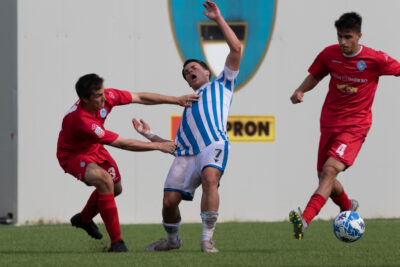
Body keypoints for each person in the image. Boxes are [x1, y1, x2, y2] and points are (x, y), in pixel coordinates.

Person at [133, 0, 242, 253]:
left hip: (214, 144)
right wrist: (149, 134)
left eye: (194, 67)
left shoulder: (221, 85)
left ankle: (206, 239)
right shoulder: (188, 106)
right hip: (186, 155)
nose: (189, 71)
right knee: (169, 202)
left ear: (206, 72)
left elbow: (236, 47)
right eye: (186, 72)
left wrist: (218, 19)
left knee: (209, 178)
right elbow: (175, 146)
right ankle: (172, 241)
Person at [57, 73, 199, 252]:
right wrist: (157, 145)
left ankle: (83, 219)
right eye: (98, 96)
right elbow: (123, 143)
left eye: (102, 92)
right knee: (104, 180)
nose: (104, 97)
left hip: (94, 147)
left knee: (116, 188)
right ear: (84, 99)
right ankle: (117, 243)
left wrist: (176, 100)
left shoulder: (106, 96)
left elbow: (139, 97)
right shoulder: (83, 121)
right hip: (72, 154)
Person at [289, 12, 400, 239]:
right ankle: (348, 207)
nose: (343, 42)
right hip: (329, 125)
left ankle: (305, 219)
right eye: (340, 36)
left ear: (359, 36)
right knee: (325, 177)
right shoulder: (330, 54)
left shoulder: (375, 59)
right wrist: (300, 90)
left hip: (355, 128)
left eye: (348, 37)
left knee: (330, 171)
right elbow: (315, 76)